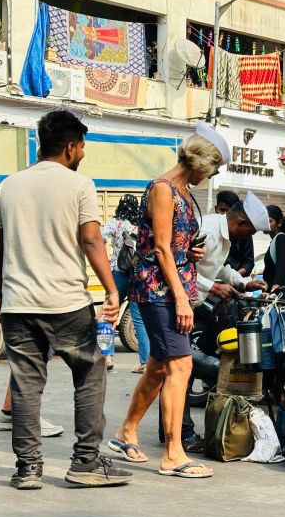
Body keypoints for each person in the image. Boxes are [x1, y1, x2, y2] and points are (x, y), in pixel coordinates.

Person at [0, 109, 131, 490]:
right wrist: (111, 289)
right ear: (70, 147)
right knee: (91, 371)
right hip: (66, 303)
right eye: (81, 146)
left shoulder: (7, 186)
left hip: (18, 303)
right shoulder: (79, 185)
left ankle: (28, 469)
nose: (83, 153)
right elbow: (91, 240)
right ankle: (84, 462)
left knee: (25, 384)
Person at [111, 122, 227, 479]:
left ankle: (125, 433)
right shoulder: (163, 188)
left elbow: (171, 244)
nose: (211, 176)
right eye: (213, 169)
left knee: (160, 365)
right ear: (199, 164)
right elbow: (159, 247)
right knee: (181, 365)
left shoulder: (183, 192)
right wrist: (180, 298)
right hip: (157, 289)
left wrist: (188, 255)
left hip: (173, 283)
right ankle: (173, 453)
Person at [163, 192, 270, 451]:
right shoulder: (207, 231)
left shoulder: (224, 237)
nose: (248, 238)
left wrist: (243, 282)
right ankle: (180, 433)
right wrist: (214, 288)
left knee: (178, 371)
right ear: (241, 223)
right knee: (179, 370)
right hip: (174, 302)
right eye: (249, 232)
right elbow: (180, 268)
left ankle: (172, 430)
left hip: (192, 304)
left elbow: (221, 267)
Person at [102, 194, 150, 374]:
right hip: (137, 276)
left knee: (108, 314)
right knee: (139, 319)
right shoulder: (140, 225)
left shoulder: (115, 223)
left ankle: (106, 356)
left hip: (117, 274)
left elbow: (99, 238)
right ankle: (145, 362)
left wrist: (107, 259)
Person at [216, 190, 255, 277]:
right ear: (216, 209)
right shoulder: (209, 230)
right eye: (222, 210)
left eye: (229, 212)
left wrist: (235, 277)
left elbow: (249, 262)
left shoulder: (244, 233)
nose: (225, 215)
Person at [264, 205, 285, 291]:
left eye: (270, 221)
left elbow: (282, 262)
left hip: (277, 293)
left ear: (279, 223)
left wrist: (276, 286)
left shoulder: (281, 238)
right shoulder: (276, 239)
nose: (266, 224)